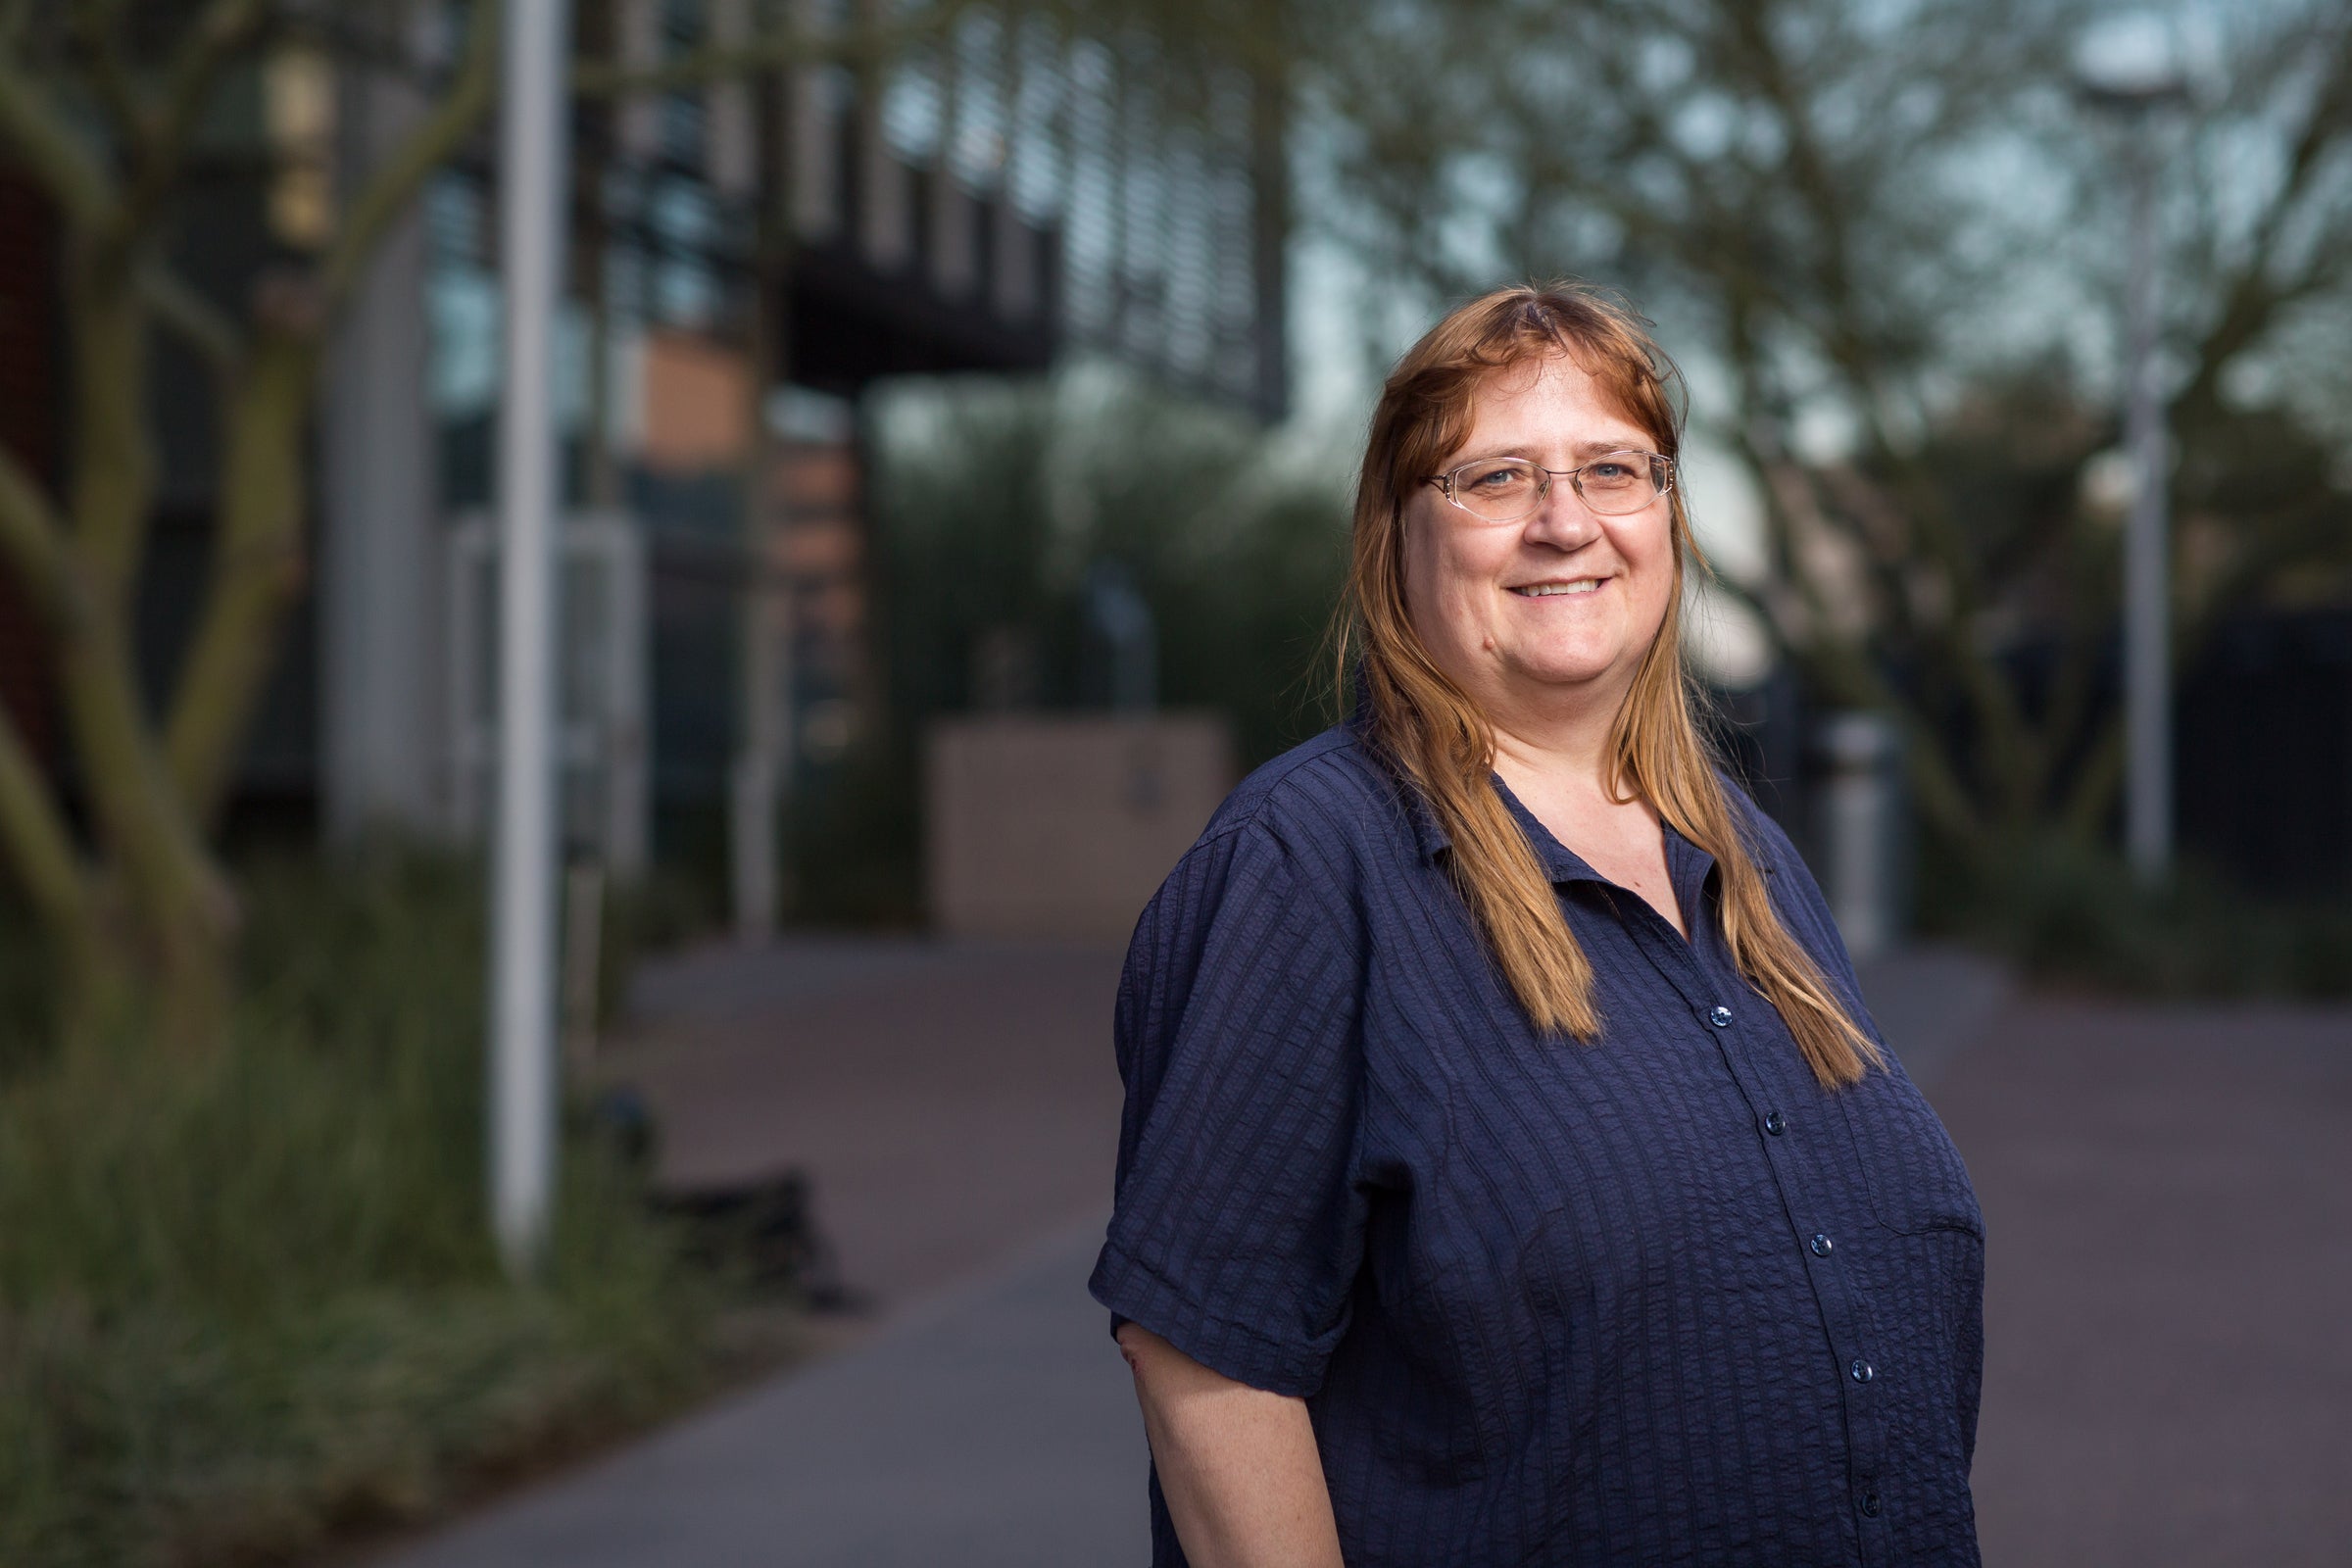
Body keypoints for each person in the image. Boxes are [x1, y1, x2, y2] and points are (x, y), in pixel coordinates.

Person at [1089, 282, 1984, 1567]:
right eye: (1495, 477)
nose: (1565, 524)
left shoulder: (1750, 856)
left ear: (1667, 514)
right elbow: (1206, 1363)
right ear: (1396, 534)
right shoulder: (1306, 866)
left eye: (1613, 469)